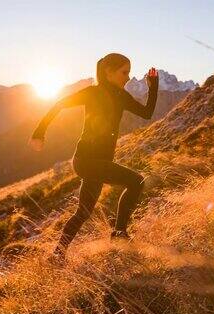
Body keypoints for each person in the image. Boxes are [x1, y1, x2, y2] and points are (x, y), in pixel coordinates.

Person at [28, 52, 159, 262]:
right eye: (124, 72)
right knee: (136, 181)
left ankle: (57, 255)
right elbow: (59, 104)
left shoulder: (121, 96)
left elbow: (146, 113)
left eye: (129, 72)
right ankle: (119, 234)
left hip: (99, 163)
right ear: (108, 72)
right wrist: (39, 132)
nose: (127, 77)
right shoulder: (92, 93)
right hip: (86, 161)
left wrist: (153, 88)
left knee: (83, 212)